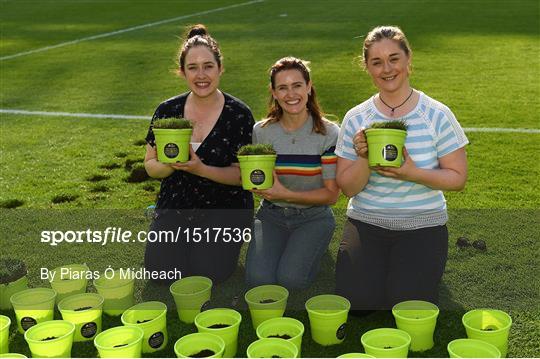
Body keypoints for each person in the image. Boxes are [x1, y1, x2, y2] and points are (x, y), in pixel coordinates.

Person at [335, 26, 468, 313]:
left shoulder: (436, 114)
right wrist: (362, 156)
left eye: (394, 58)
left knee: (407, 306)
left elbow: (458, 178)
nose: (387, 69)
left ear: (408, 60)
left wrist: (412, 173)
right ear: (367, 67)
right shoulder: (356, 117)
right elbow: (348, 189)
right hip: (367, 222)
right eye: (377, 62)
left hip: (423, 225)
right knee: (358, 304)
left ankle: (411, 273)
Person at [144, 24, 255, 284]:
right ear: (182, 72)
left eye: (208, 66)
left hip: (225, 208)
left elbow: (243, 176)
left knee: (209, 274)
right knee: (161, 274)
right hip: (176, 205)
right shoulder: (167, 110)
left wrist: (199, 168)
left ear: (220, 68)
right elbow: (150, 164)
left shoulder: (239, 114)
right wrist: (171, 165)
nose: (201, 75)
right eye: (192, 68)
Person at [245, 57, 340, 290]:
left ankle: (310, 246)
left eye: (297, 85)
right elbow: (258, 179)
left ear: (308, 86)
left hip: (314, 217)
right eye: (282, 88)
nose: (291, 94)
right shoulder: (262, 132)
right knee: (259, 280)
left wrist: (285, 194)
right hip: (271, 215)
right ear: (274, 92)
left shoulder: (329, 133)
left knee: (291, 279)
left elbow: (331, 196)